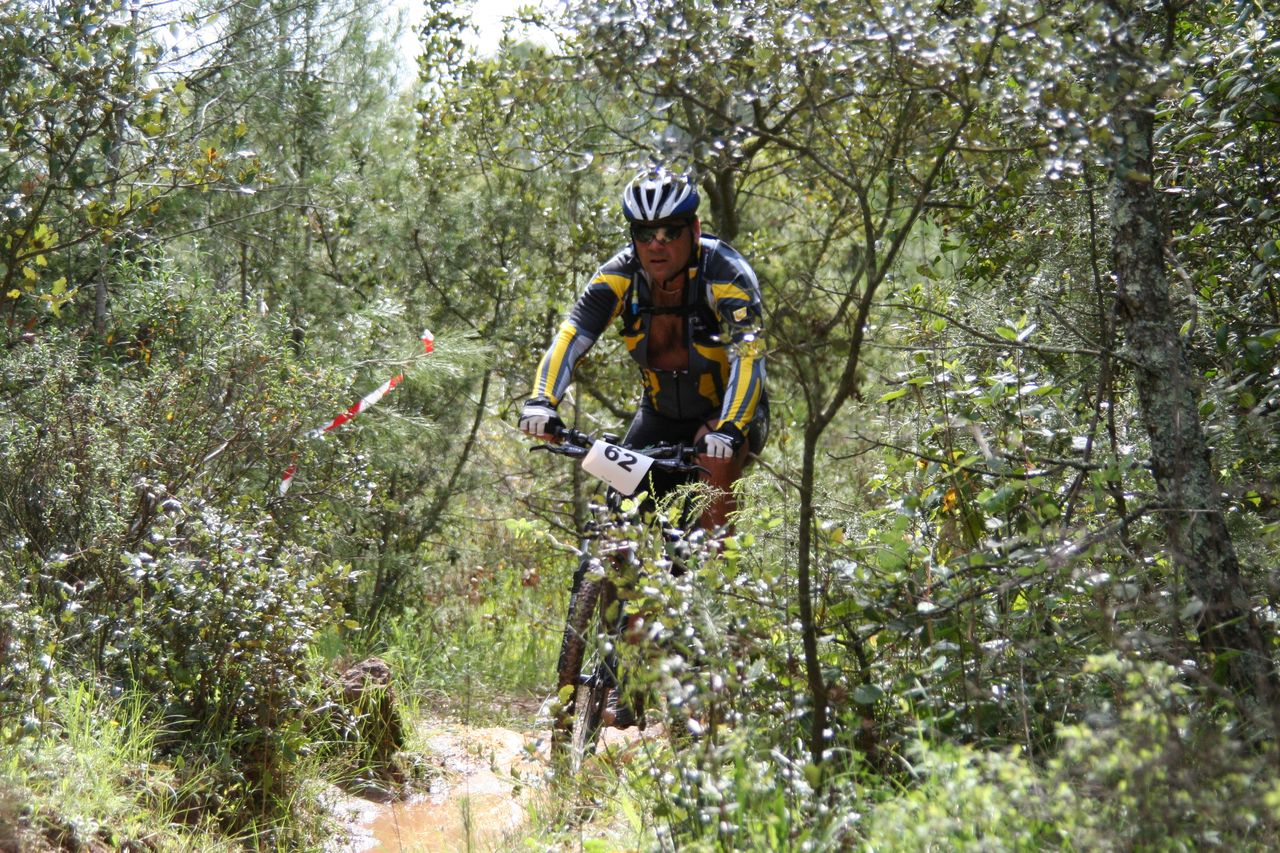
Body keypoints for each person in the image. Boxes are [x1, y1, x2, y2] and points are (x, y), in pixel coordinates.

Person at [518, 167, 769, 532]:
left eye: (670, 232)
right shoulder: (620, 275)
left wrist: (730, 428)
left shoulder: (725, 272)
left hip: (726, 415)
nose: (656, 244)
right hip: (659, 415)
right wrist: (542, 401)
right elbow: (571, 336)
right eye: (645, 233)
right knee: (616, 520)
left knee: (713, 463)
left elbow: (749, 354)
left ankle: (719, 560)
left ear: (695, 229)